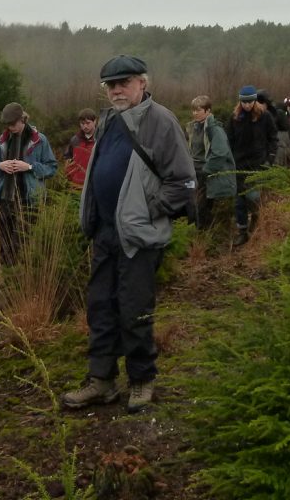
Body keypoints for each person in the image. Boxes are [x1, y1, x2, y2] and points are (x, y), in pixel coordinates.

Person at [62, 55, 195, 414]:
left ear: (143, 83)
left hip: (138, 237)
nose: (117, 89)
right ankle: (101, 381)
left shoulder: (161, 122)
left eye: (125, 82)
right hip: (105, 233)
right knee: (100, 308)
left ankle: (141, 381)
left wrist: (145, 209)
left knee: (134, 311)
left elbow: (183, 182)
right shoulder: (109, 121)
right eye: (111, 84)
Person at [0, 103, 58, 265]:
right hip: (5, 200)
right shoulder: (2, 141)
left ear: (22, 120)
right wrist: (0, 166)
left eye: (13, 124)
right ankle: (8, 280)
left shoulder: (39, 140)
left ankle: (23, 281)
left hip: (30, 202)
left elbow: (52, 168)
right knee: (5, 246)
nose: (10, 128)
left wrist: (29, 167)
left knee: (22, 245)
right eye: (7, 125)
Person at [226, 85, 278, 247]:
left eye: (250, 102)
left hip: (258, 163)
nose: (247, 105)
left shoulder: (265, 116)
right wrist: (230, 160)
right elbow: (229, 140)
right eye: (244, 102)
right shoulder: (235, 118)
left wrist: (270, 158)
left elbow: (273, 138)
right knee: (239, 201)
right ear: (240, 102)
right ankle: (242, 232)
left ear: (254, 101)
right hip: (239, 163)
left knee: (254, 197)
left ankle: (257, 221)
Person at [187, 95, 236, 230]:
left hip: (205, 174)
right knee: (191, 205)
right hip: (193, 172)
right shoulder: (193, 128)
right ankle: (196, 234)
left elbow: (220, 153)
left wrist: (206, 171)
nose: (195, 113)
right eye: (193, 110)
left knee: (202, 207)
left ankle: (206, 236)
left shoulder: (215, 129)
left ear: (208, 111)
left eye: (198, 110)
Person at [64, 108, 98, 188]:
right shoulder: (75, 140)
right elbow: (68, 159)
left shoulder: (101, 139)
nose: (85, 126)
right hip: (76, 185)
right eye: (82, 123)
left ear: (95, 121)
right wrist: (69, 176)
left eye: (88, 123)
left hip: (94, 184)